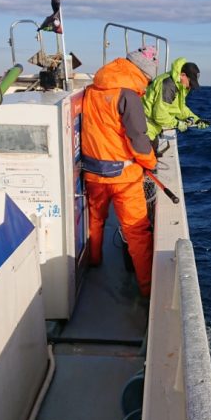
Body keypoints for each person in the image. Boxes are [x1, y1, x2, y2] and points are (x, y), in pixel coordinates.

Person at [81, 47, 158, 297]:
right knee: (137, 232)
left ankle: (93, 260)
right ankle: (148, 290)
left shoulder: (92, 90)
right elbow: (138, 137)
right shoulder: (129, 95)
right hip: (124, 177)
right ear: (142, 73)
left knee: (95, 219)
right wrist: (150, 162)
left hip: (92, 172)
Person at [142, 58, 209, 150]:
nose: (190, 86)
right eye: (190, 82)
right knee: (145, 160)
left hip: (153, 127)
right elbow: (159, 115)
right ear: (183, 75)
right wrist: (177, 123)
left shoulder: (179, 85)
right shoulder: (168, 85)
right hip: (144, 126)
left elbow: (180, 109)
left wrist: (196, 120)